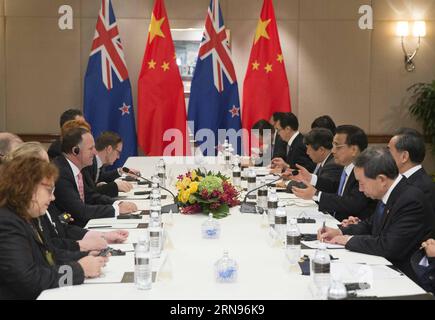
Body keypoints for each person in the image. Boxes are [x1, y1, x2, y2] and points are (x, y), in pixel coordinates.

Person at [318, 147, 434, 280]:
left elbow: (390, 246)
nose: (360, 189)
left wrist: (348, 240)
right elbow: (371, 224)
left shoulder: (410, 199)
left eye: (362, 183)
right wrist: (340, 231)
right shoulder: (391, 191)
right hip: (384, 264)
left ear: (382, 180)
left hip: (405, 275)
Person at [0, 156, 107, 299]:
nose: (53, 198)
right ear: (30, 189)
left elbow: (49, 255)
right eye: (49, 190)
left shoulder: (26, 215)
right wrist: (79, 270)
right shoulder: (7, 223)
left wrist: (85, 256)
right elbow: (28, 282)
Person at [5, 142, 129, 253]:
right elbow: (45, 254)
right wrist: (80, 261)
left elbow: (61, 229)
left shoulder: (39, 201)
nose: (49, 169)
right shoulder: (15, 218)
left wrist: (102, 236)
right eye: (43, 166)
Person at [53, 127, 137, 227]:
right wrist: (116, 210)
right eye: (90, 148)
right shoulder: (61, 173)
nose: (95, 152)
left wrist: (117, 203)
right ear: (75, 151)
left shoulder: (76, 169)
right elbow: (80, 211)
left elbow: (90, 196)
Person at [291, 125, 376, 221]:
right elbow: (334, 187)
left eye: (337, 146)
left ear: (354, 150)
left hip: (350, 226)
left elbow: (353, 203)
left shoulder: (365, 172)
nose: (333, 150)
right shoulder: (346, 168)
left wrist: (316, 194)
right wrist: (310, 178)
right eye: (333, 145)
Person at [388, 128, 435, 211]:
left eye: (389, 151)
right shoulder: (398, 179)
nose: (386, 156)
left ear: (404, 156)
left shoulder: (423, 188)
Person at [282, 128, 342, 193]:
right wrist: (299, 177)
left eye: (309, 149)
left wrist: (288, 183)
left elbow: (318, 189)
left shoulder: (332, 165)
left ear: (321, 150)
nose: (307, 152)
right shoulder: (320, 161)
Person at [82, 131, 135, 197]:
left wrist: (121, 171)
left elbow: (102, 177)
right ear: (109, 149)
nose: (118, 157)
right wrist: (115, 186)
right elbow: (90, 193)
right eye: (118, 152)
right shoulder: (88, 163)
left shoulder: (98, 163)